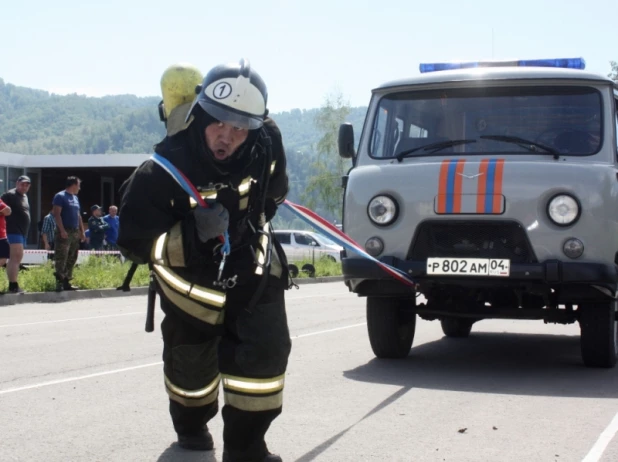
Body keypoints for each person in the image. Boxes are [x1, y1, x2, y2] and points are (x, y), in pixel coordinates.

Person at [118, 60, 291, 462]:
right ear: (201, 113)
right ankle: (192, 427)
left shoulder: (264, 147)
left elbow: (274, 193)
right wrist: (191, 236)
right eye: (220, 123)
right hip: (190, 290)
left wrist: (244, 227)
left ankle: (247, 446)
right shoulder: (158, 172)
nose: (227, 137)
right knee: (191, 371)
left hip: (251, 271)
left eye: (240, 128)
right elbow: (133, 243)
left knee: (265, 357)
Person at [52, 176, 85, 291]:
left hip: (74, 231)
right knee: (62, 256)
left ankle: (67, 281)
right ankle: (59, 282)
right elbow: (57, 214)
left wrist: (82, 231)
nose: (79, 188)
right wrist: (61, 230)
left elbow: (78, 215)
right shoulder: (60, 196)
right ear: (73, 185)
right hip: (64, 230)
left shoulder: (75, 198)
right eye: (78, 185)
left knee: (72, 256)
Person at [1, 175, 31, 294]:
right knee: (14, 258)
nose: (24, 186)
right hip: (12, 231)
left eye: (27, 184)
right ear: (17, 183)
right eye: (22, 184)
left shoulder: (24, 196)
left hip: (21, 232)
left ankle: (13, 285)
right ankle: (13, 286)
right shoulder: (9, 195)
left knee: (16, 258)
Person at [0, 180, 12, 292]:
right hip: (1, 236)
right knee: (2, 259)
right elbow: (7, 210)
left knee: (3, 259)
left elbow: (8, 210)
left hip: (2, 235)